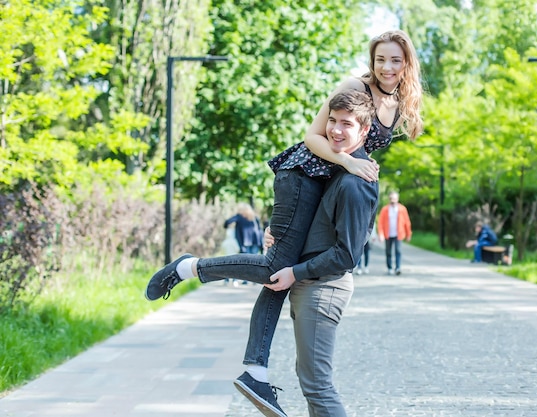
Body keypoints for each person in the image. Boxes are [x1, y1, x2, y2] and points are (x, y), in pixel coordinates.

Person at [145, 29, 424, 416]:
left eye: (395, 60)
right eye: (380, 59)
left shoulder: (401, 103)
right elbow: (313, 136)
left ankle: (255, 370)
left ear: (407, 62)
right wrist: (347, 163)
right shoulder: (353, 86)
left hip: (328, 185)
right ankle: (189, 267)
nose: (386, 67)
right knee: (279, 267)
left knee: (281, 270)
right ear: (372, 60)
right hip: (306, 174)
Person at [260, 89, 379, 416]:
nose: (336, 130)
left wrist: (295, 272)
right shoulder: (340, 168)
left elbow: (346, 255)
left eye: (347, 124)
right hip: (311, 285)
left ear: (365, 131)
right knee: (311, 380)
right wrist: (277, 234)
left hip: (323, 288)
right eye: (332, 121)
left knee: (317, 385)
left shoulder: (356, 182)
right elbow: (315, 223)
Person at [223, 203, 264, 285]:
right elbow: (259, 230)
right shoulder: (254, 217)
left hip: (245, 242)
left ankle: (246, 279)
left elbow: (227, 222)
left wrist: (228, 226)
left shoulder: (239, 216)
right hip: (255, 241)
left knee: (245, 262)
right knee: (254, 261)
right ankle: (253, 279)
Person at [377, 191, 412, 275]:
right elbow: (380, 222)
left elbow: (407, 222)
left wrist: (408, 234)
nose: (393, 200)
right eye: (391, 198)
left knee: (398, 251)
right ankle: (389, 267)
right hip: (388, 234)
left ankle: (398, 268)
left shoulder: (402, 209)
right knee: (388, 251)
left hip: (398, 234)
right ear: (389, 199)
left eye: (394, 198)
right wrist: (381, 234)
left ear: (397, 199)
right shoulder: (385, 209)